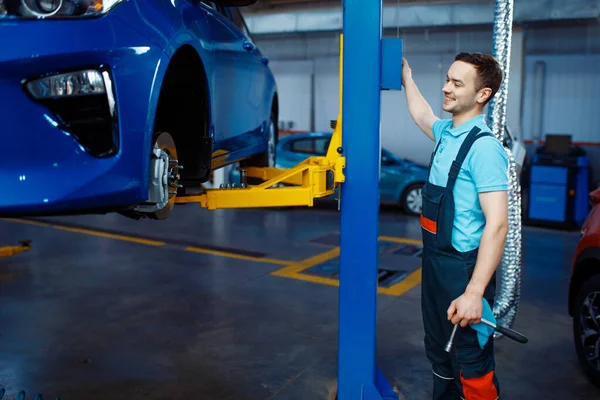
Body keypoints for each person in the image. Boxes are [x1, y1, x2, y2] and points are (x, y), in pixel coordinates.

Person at [402, 52, 509, 399]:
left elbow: (497, 224)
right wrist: (407, 77)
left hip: (462, 274)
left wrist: (475, 293)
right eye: (447, 79)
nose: (446, 88)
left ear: (482, 95)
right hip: (434, 268)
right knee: (439, 356)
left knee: (470, 365)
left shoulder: (484, 148)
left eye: (456, 83)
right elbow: (421, 113)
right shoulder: (447, 132)